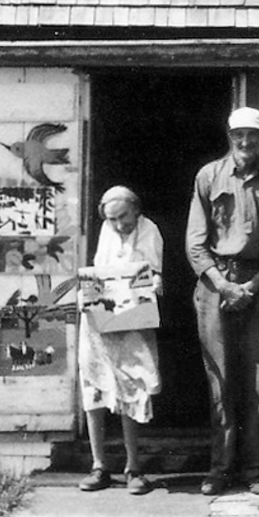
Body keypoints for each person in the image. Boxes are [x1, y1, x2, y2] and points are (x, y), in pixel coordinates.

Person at [186, 106, 259, 497]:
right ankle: (220, 468)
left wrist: (251, 287)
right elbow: (195, 244)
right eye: (239, 136)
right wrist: (223, 284)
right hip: (216, 286)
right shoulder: (209, 176)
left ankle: (255, 468)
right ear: (230, 137)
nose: (246, 142)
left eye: (253, 135)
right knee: (220, 380)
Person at [78, 185, 163, 496]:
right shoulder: (106, 230)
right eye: (111, 219)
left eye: (122, 217)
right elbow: (100, 270)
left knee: (131, 386)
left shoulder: (149, 230)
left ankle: (133, 467)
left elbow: (153, 273)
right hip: (101, 317)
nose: (117, 224)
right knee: (94, 383)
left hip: (132, 319)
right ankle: (99, 465)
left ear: (136, 209)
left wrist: (156, 283)